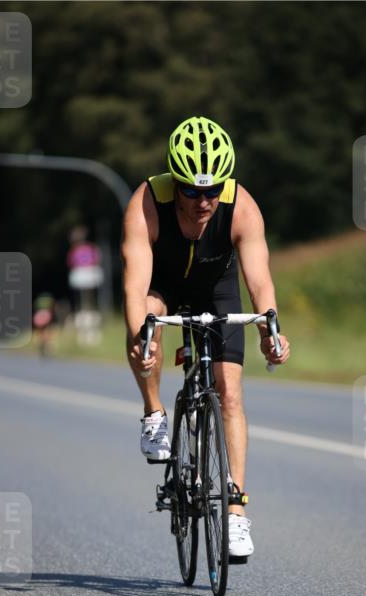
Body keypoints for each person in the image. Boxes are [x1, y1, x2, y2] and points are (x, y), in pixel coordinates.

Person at [122, 115, 290, 558]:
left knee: (230, 393)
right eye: (193, 191)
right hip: (163, 284)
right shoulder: (145, 203)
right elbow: (134, 285)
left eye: (213, 190)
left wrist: (270, 329)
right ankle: (154, 413)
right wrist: (141, 337)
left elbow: (261, 282)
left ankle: (235, 512)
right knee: (148, 327)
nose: (204, 201)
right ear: (174, 182)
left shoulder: (242, 206)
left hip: (217, 288)